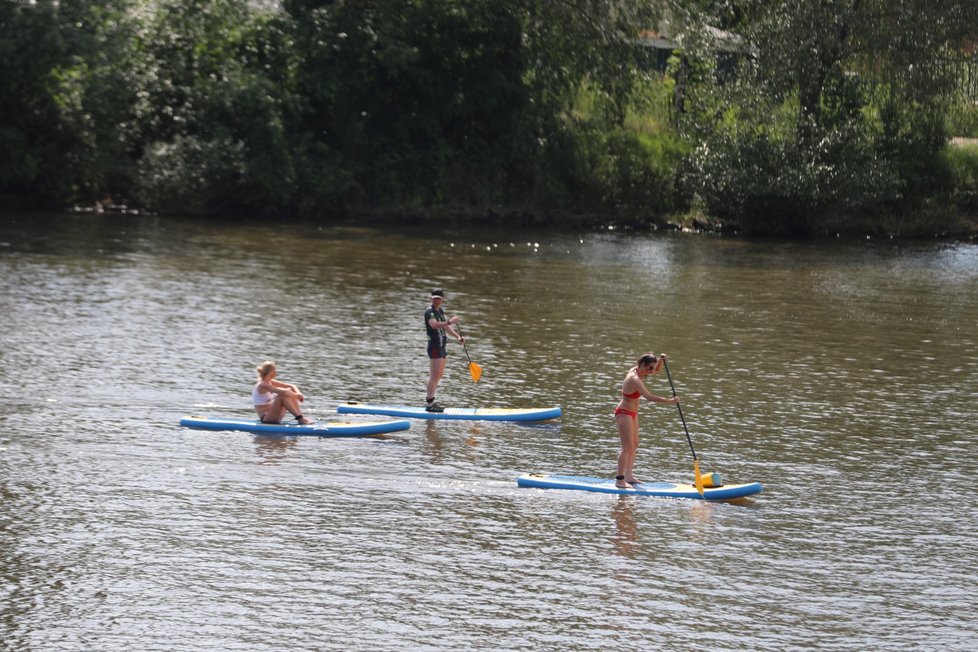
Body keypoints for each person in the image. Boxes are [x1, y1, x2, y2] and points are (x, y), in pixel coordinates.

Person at [614, 352, 680, 488]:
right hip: (624, 413)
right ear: (642, 365)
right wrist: (670, 401)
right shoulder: (634, 379)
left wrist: (661, 361)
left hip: (633, 413)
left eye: (652, 368)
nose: (651, 371)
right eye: (649, 368)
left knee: (635, 444)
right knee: (626, 448)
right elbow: (649, 397)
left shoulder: (640, 370)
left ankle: (629, 476)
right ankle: (619, 480)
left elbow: (657, 370)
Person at [424, 288, 463, 412]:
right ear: (431, 299)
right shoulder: (429, 312)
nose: (436, 301)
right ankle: (430, 405)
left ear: (442, 300)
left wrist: (458, 337)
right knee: (434, 376)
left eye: (438, 299)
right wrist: (450, 321)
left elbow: (446, 327)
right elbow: (434, 324)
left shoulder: (439, 310)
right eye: (434, 298)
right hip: (434, 346)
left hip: (441, 346)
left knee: (439, 375)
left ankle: (432, 401)